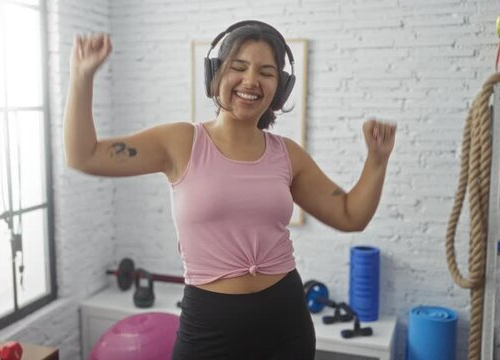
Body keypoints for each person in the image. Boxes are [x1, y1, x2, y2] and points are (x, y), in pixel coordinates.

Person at [65, 20, 396, 360]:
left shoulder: (288, 154)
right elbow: (85, 156)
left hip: (285, 324)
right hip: (209, 327)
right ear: (216, 74)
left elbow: (349, 215)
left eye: (266, 72)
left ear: (280, 88)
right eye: (239, 67)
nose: (251, 81)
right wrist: (82, 77)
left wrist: (377, 161)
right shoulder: (180, 142)